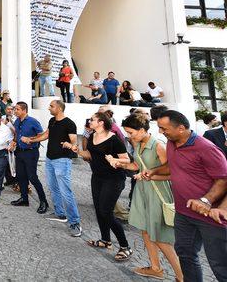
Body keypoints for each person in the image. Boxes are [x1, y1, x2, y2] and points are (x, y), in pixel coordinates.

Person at [144, 110, 227, 281]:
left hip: (209, 216)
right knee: (185, 254)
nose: (161, 132)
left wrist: (206, 200)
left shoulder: (206, 148)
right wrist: (154, 171)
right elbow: (171, 165)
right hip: (184, 213)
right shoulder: (172, 142)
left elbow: (223, 179)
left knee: (220, 264)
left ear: (181, 128)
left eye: (164, 128)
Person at [105, 112, 182, 281]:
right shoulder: (139, 142)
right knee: (146, 231)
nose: (128, 135)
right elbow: (137, 165)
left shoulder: (158, 145)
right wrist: (119, 163)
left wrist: (148, 175)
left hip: (158, 191)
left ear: (141, 130)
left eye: (131, 132)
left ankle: (182, 276)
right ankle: (155, 268)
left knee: (160, 237)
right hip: (143, 190)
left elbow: (171, 172)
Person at [67, 111, 132, 261]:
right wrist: (78, 151)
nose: (90, 121)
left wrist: (113, 160)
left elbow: (127, 160)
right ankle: (105, 240)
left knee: (106, 211)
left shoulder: (114, 139)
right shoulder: (91, 136)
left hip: (114, 178)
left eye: (93, 119)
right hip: (97, 177)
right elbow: (90, 155)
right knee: (98, 209)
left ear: (101, 122)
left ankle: (125, 246)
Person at [28, 100, 81, 236]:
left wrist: (69, 144)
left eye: (51, 106)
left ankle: (75, 222)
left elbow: (74, 141)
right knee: (53, 187)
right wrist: (31, 140)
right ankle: (60, 213)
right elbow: (46, 135)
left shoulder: (69, 123)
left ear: (59, 108)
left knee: (66, 192)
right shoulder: (52, 120)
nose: (49, 108)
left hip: (62, 160)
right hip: (50, 159)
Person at [10, 102, 48, 212]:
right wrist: (13, 142)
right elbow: (17, 134)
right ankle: (24, 199)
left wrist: (30, 139)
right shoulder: (17, 121)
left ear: (24, 110)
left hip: (31, 153)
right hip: (20, 152)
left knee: (32, 177)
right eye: (15, 109)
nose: (15, 111)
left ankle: (43, 201)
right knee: (21, 177)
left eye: (17, 109)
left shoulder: (33, 121)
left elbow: (42, 135)